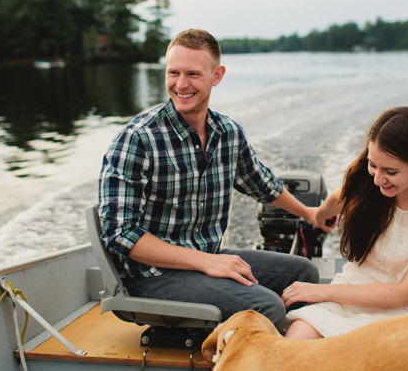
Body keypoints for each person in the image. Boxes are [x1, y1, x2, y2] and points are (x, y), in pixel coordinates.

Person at [99, 29, 320, 330]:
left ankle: (288, 353)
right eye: (173, 73)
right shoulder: (137, 140)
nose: (181, 84)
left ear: (217, 76)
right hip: (149, 276)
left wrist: (309, 214)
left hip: (206, 259)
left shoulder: (228, 133)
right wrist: (205, 261)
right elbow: (119, 233)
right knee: (267, 306)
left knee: (304, 275)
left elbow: (262, 183)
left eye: (193, 74)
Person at [282, 106, 408, 339]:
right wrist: (319, 217)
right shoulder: (368, 187)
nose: (378, 179)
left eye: (390, 171)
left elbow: (405, 294)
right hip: (347, 295)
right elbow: (334, 200)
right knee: (296, 343)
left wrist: (323, 292)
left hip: (406, 312)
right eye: (373, 165)